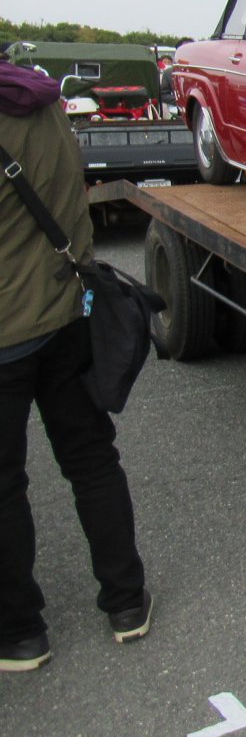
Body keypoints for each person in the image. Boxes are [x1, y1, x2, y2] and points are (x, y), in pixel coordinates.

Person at [0, 56, 152, 673]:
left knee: (5, 487)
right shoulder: (44, 105)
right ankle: (126, 601)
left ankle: (21, 632)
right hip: (67, 312)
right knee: (91, 460)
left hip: (7, 332)